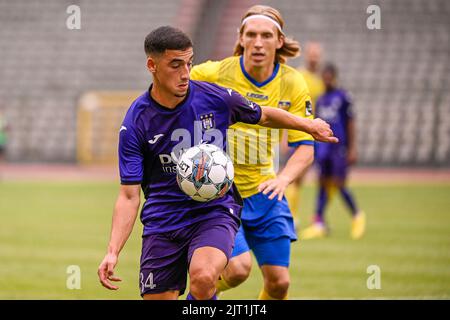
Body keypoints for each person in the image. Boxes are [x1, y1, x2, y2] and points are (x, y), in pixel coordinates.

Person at [97, 26, 337, 300]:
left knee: (204, 276)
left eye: (188, 63)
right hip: (162, 220)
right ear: (152, 65)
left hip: (213, 212)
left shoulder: (215, 97)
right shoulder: (135, 122)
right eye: (175, 65)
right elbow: (128, 196)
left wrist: (308, 125)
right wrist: (113, 251)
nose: (185, 73)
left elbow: (264, 115)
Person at [190, 5, 316, 300]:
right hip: (221, 193)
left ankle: (203, 291)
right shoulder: (213, 73)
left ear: (279, 41)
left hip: (265, 193)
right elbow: (174, 90)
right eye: (251, 35)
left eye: (266, 35)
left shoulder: (293, 83)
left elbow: (305, 148)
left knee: (279, 284)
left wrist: (283, 179)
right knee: (236, 270)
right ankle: (200, 295)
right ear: (241, 38)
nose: (258, 42)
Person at [300, 63, 365, 240]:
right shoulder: (320, 100)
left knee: (339, 183)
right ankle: (319, 223)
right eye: (324, 77)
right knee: (321, 183)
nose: (327, 80)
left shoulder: (344, 97)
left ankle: (357, 216)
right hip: (324, 149)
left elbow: (351, 123)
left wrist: (352, 148)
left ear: (335, 77)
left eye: (330, 77)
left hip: (339, 148)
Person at [284, 42, 326, 227]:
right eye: (312, 54)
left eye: (317, 55)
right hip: (299, 132)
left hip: (316, 133)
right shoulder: (298, 76)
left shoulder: (321, 80)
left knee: (304, 179)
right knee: (294, 176)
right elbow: (289, 105)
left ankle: (297, 215)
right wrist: (286, 135)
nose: (314, 58)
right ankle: (290, 215)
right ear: (306, 55)